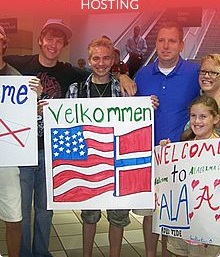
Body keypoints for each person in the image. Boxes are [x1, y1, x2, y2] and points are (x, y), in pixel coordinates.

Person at [4, 19, 136, 257]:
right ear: (40, 40)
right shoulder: (19, 63)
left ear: (64, 44)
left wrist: (123, 73)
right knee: (21, 211)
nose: (53, 44)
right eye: (49, 38)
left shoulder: (70, 72)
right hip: (23, 149)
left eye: (59, 40)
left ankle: (41, 253)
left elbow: (101, 69)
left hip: (50, 152)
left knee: (45, 211)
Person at [133, 22, 200, 257]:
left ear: (182, 44)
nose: (166, 45)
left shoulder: (194, 74)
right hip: (148, 156)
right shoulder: (142, 74)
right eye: (161, 40)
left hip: (179, 158)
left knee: (173, 214)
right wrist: (122, 77)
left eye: (172, 41)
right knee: (150, 213)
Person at [66, 37, 130, 257]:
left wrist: (148, 106)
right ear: (89, 59)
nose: (101, 63)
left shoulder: (124, 89)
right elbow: (66, 123)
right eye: (96, 58)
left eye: (105, 58)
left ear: (113, 59)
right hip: (88, 163)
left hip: (117, 162)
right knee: (89, 215)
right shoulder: (76, 90)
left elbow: (135, 120)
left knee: (118, 217)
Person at [0, 26, 41, 257]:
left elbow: (26, 118)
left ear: (4, 43)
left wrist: (32, 108)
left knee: (13, 217)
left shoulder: (16, 78)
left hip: (8, 159)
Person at [163, 95, 220, 257]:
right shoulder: (184, 144)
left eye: (203, 116)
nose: (197, 121)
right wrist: (166, 154)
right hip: (182, 223)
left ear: (215, 119)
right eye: (193, 116)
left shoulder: (218, 149)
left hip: (208, 227)